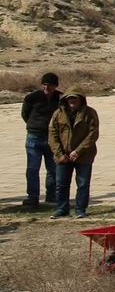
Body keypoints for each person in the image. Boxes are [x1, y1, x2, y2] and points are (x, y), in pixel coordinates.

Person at [47, 89, 98, 219]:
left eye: (75, 98)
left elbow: (93, 134)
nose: (72, 101)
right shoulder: (58, 114)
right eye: (70, 98)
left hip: (84, 155)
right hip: (63, 156)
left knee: (83, 184)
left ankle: (80, 209)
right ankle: (62, 208)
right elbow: (52, 134)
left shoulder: (90, 113)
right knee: (61, 184)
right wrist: (59, 154)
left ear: (81, 99)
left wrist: (78, 151)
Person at [20, 72, 61, 210]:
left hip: (52, 138)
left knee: (53, 168)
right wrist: (35, 125)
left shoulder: (60, 98)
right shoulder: (32, 98)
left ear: (55, 86)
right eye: (44, 84)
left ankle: (52, 196)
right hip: (34, 137)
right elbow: (25, 114)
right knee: (32, 169)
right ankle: (33, 197)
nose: (46, 87)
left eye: (49, 85)